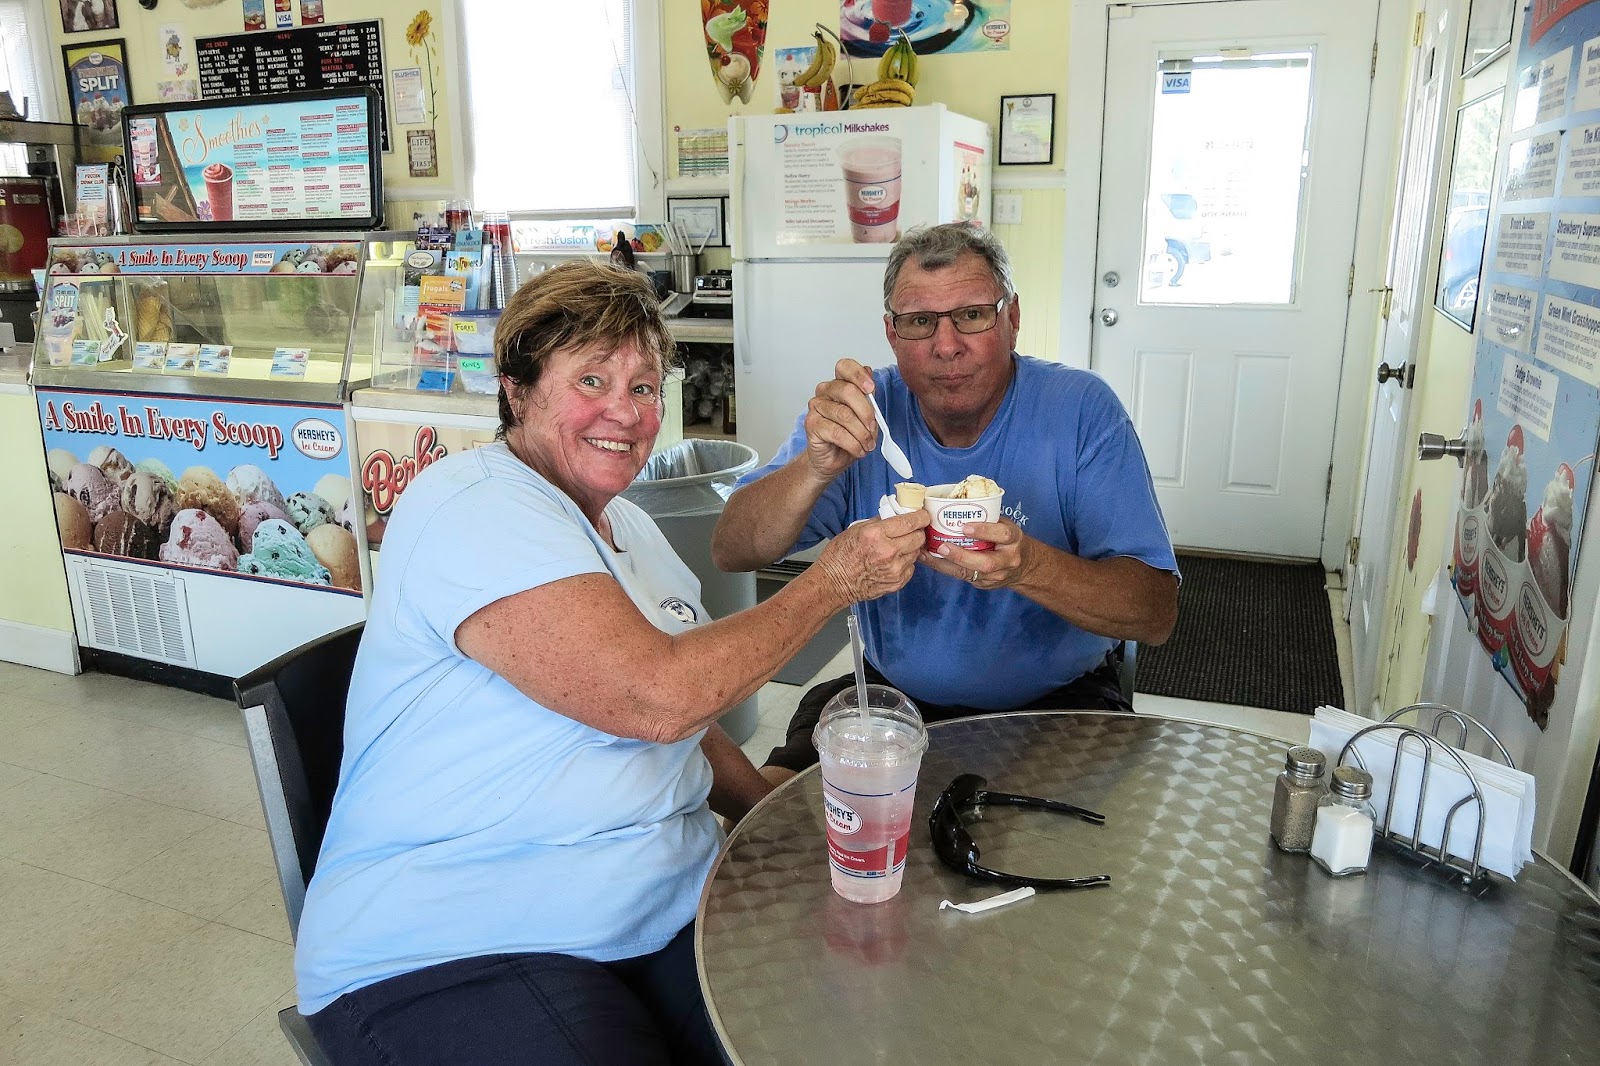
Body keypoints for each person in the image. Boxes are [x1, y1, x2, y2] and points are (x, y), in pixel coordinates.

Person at [295, 261, 929, 1064]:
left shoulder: (631, 529)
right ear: (517, 390)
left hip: (654, 906)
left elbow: (686, 722)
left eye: (642, 387)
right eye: (590, 378)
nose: (623, 413)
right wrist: (834, 580)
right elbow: (656, 697)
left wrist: (768, 801)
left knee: (843, 1031)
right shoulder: (473, 502)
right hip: (462, 935)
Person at [712, 223, 1179, 782]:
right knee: (782, 822)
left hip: (1059, 706)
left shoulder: (1080, 412)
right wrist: (812, 468)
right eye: (919, 322)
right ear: (891, 332)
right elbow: (732, 548)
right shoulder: (867, 414)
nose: (946, 344)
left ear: (1012, 319)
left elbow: (1154, 613)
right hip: (891, 700)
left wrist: (1027, 566)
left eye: (973, 315)